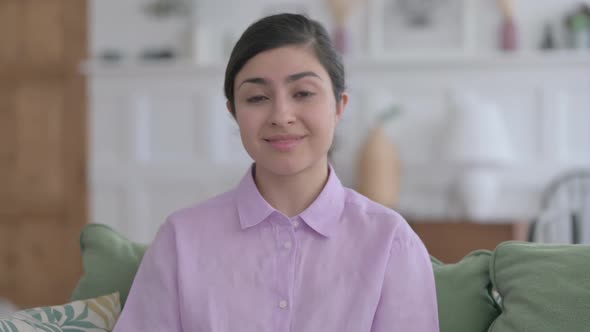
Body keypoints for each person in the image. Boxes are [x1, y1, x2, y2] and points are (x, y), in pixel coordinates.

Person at [114, 13, 439, 331]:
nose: (281, 115)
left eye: (303, 94)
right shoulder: (180, 240)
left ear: (339, 105)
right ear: (234, 112)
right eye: (257, 98)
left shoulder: (391, 242)